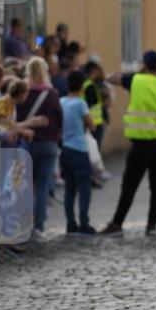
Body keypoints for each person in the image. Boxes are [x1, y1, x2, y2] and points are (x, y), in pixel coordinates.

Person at [101, 50, 156, 238]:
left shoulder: (135, 79)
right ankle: (151, 226)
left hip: (139, 145)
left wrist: (136, 71)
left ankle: (117, 224)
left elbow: (110, 78)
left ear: (145, 64)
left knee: (129, 186)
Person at [16, 57, 62, 240]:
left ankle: (23, 224)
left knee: (25, 187)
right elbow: (59, 120)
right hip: (49, 144)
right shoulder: (52, 94)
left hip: (26, 144)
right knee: (42, 187)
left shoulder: (22, 93)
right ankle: (39, 226)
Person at [59, 69, 97, 236]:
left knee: (69, 189)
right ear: (81, 86)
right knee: (84, 188)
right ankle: (84, 223)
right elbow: (92, 125)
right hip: (79, 149)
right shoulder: (80, 103)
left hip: (65, 149)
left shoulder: (61, 101)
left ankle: (70, 223)